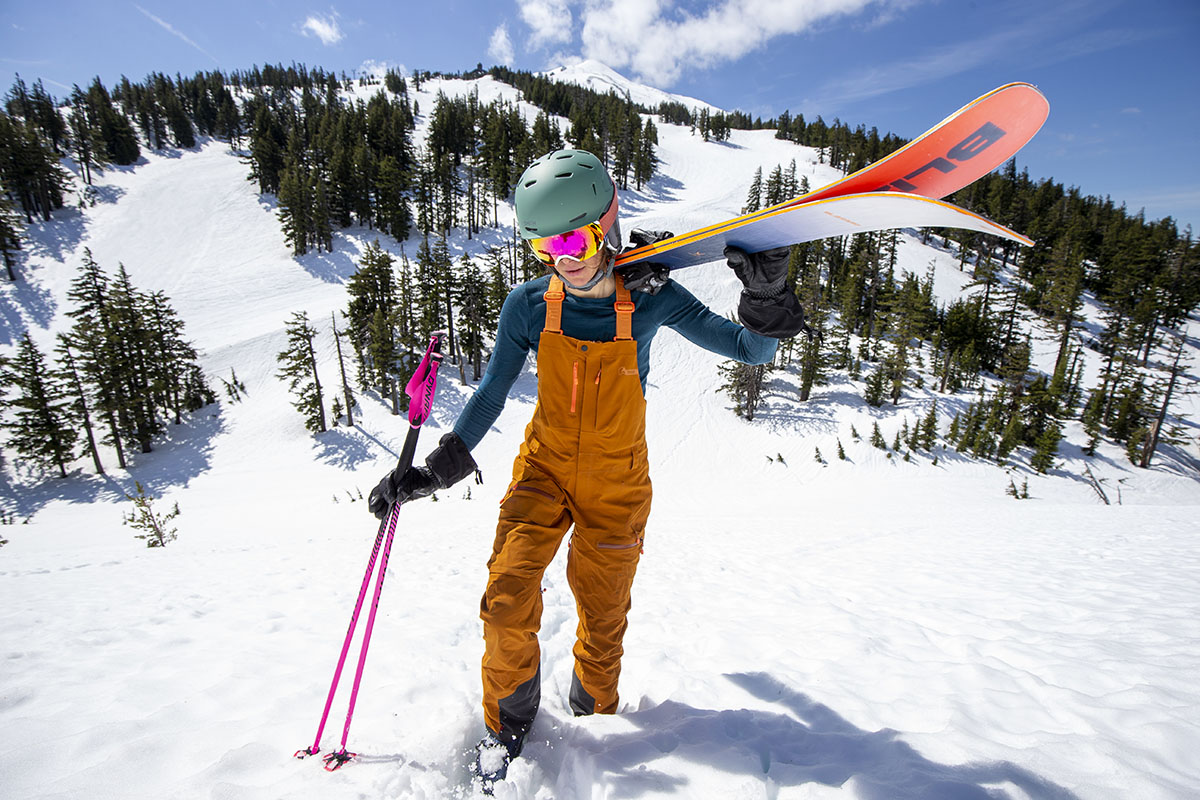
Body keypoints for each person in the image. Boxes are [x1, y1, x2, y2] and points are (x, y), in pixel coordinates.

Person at [367, 148, 806, 786]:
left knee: (603, 619)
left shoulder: (652, 299)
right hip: (541, 471)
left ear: (608, 222)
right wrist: (435, 470)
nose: (563, 257)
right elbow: (491, 393)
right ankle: (506, 725)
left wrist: (765, 295)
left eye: (574, 237)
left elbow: (750, 350)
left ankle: (593, 718)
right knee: (506, 597)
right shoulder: (527, 306)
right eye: (544, 247)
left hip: (617, 482)